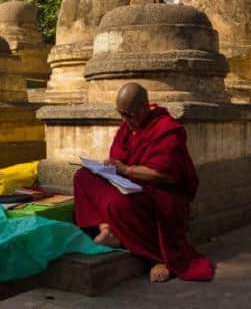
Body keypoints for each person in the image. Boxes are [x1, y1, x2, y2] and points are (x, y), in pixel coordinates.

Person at [73, 82, 215, 282]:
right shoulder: (128, 125)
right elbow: (119, 156)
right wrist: (110, 167)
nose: (125, 120)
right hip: (128, 183)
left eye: (129, 115)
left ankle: (157, 258)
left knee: (118, 204)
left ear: (144, 106)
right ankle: (107, 229)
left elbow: (166, 175)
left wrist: (126, 169)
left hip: (159, 192)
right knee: (83, 177)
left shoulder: (167, 129)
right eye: (121, 114)